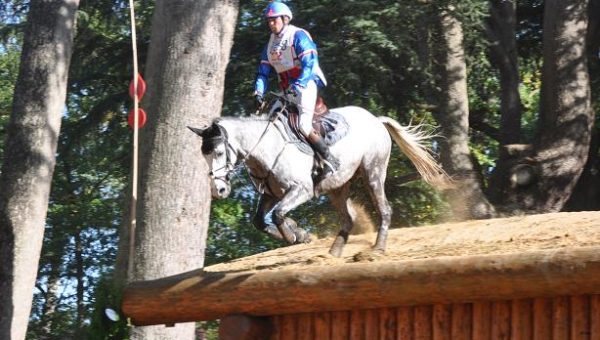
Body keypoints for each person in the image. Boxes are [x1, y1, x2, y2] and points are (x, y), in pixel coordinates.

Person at [254, 1, 339, 176]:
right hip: (286, 90)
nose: (271, 24)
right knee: (269, 123)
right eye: (268, 21)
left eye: (274, 20)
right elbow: (262, 73)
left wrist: (298, 84)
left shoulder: (298, 35)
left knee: (302, 125)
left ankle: (329, 159)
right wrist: (259, 93)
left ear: (285, 19)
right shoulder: (269, 46)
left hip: (306, 85)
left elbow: (309, 64)